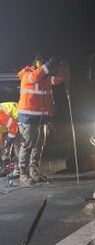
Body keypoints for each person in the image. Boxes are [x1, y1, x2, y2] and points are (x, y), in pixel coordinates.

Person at [17, 55, 69, 184]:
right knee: (27, 145)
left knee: (39, 145)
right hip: (28, 117)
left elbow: (57, 80)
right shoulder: (27, 74)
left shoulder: (45, 78)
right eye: (43, 65)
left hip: (42, 117)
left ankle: (33, 172)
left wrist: (64, 69)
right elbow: (35, 77)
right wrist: (48, 65)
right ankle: (23, 174)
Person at [0, 102, 20, 177]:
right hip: (7, 124)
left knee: (17, 145)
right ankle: (5, 167)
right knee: (4, 145)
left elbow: (13, 125)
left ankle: (18, 170)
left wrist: (9, 139)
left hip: (18, 119)